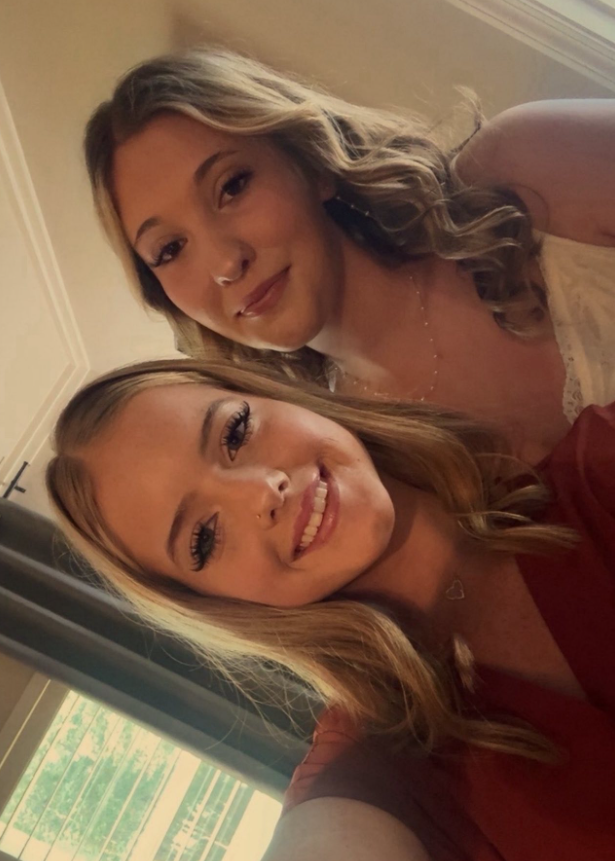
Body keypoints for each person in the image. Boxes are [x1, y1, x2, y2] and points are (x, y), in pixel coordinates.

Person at [47, 357, 615, 860]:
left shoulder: (596, 459)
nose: (261, 491)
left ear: (276, 394)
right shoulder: (374, 775)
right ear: (214, 604)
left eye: (235, 432)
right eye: (203, 538)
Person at [84, 48, 615, 463]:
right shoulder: (354, 471)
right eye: (170, 249)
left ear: (310, 162)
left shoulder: (530, 169)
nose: (226, 264)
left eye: (233, 186)